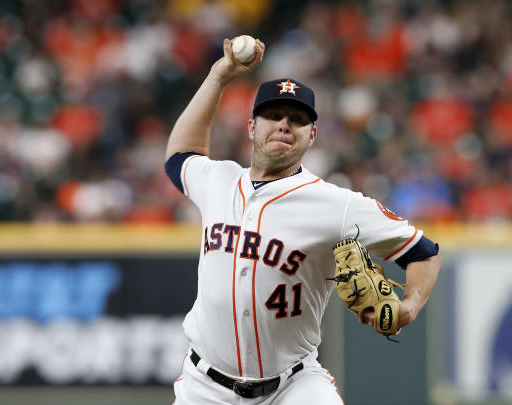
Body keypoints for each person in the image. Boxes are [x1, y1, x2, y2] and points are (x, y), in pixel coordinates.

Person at [164, 37, 442, 405]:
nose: (283, 125)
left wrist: (410, 305)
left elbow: (423, 251)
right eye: (273, 116)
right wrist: (218, 76)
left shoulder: (336, 204)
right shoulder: (219, 180)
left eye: (296, 120)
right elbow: (179, 155)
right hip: (205, 387)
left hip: (293, 387)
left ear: (311, 135)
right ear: (251, 127)